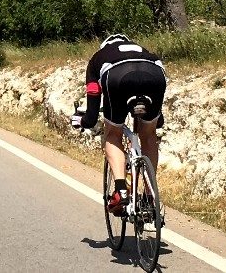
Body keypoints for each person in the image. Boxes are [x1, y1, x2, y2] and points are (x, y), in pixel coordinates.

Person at [71, 34, 167, 216]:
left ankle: (121, 191)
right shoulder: (144, 51)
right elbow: (159, 118)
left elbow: (91, 114)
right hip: (155, 75)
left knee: (113, 133)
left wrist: (82, 121)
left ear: (105, 46)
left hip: (116, 76)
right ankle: (149, 195)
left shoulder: (97, 58)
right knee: (149, 134)